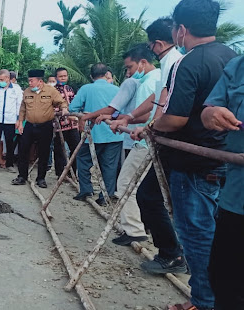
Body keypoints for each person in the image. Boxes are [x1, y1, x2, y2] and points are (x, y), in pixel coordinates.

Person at [131, 2, 237, 309]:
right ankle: (208, 298)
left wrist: (153, 126)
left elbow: (174, 118)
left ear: (181, 30)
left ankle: (204, 301)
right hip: (224, 159)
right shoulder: (231, 58)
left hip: (193, 164)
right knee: (216, 235)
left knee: (196, 235)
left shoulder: (188, 62)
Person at [107, 17, 187, 278]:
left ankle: (171, 252)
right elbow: (157, 102)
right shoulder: (167, 65)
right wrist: (133, 120)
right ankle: (168, 249)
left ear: (158, 44)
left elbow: (164, 104)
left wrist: (149, 126)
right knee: (152, 195)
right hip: (155, 136)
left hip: (165, 140)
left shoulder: (174, 62)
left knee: (152, 195)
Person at [93, 45, 162, 246]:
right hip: (141, 138)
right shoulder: (153, 80)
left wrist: (124, 120)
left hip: (145, 142)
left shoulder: (150, 82)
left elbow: (150, 114)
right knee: (142, 188)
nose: (129, 73)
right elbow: (142, 112)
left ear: (142, 62)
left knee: (125, 184)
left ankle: (135, 229)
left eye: (130, 67)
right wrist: (123, 119)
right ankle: (141, 228)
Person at [201, 55, 244, 310]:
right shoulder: (238, 67)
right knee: (223, 277)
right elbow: (209, 112)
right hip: (236, 197)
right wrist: (213, 114)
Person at [69, 63, 123, 205]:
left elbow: (72, 108)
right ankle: (105, 196)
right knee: (109, 166)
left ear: (91, 76)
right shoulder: (117, 89)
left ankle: (86, 189)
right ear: (106, 75)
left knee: (83, 160)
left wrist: (86, 113)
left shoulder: (86, 89)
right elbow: (121, 111)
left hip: (93, 133)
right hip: (114, 133)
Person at [13, 69, 68, 188]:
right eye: (29, 81)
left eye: (32, 81)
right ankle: (22, 176)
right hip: (29, 125)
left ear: (40, 81)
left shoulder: (50, 91)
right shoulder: (27, 91)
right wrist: (20, 122)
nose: (30, 83)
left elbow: (61, 101)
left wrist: (64, 108)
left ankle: (41, 178)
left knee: (44, 152)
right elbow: (23, 107)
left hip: (45, 125)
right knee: (23, 150)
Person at [0, 69, 22, 173]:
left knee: (10, 143)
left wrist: (17, 119)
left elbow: (19, 105)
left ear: (8, 78)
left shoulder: (16, 89)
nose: (0, 81)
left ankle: (9, 164)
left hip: (10, 120)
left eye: (2, 79)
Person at [53, 68, 81, 178]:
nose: (63, 78)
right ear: (56, 78)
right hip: (59, 125)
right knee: (59, 150)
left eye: (65, 76)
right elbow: (51, 107)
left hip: (73, 125)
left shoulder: (70, 88)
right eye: (61, 76)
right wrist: (61, 113)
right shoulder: (53, 91)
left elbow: (74, 103)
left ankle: (72, 172)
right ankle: (60, 173)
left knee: (76, 149)